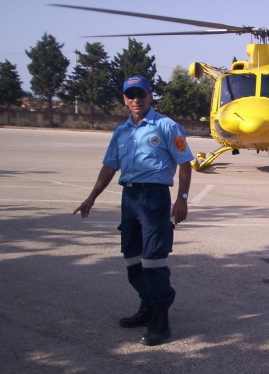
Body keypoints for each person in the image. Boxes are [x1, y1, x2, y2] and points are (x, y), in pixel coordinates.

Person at [73, 75, 194, 346]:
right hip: (130, 198)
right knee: (132, 261)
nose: (136, 100)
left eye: (141, 94)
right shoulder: (121, 131)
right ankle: (147, 306)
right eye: (131, 95)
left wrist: (182, 198)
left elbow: (185, 163)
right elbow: (109, 166)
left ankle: (161, 321)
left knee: (153, 262)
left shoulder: (167, 126)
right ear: (125, 99)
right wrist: (91, 197)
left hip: (154, 198)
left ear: (151, 96)